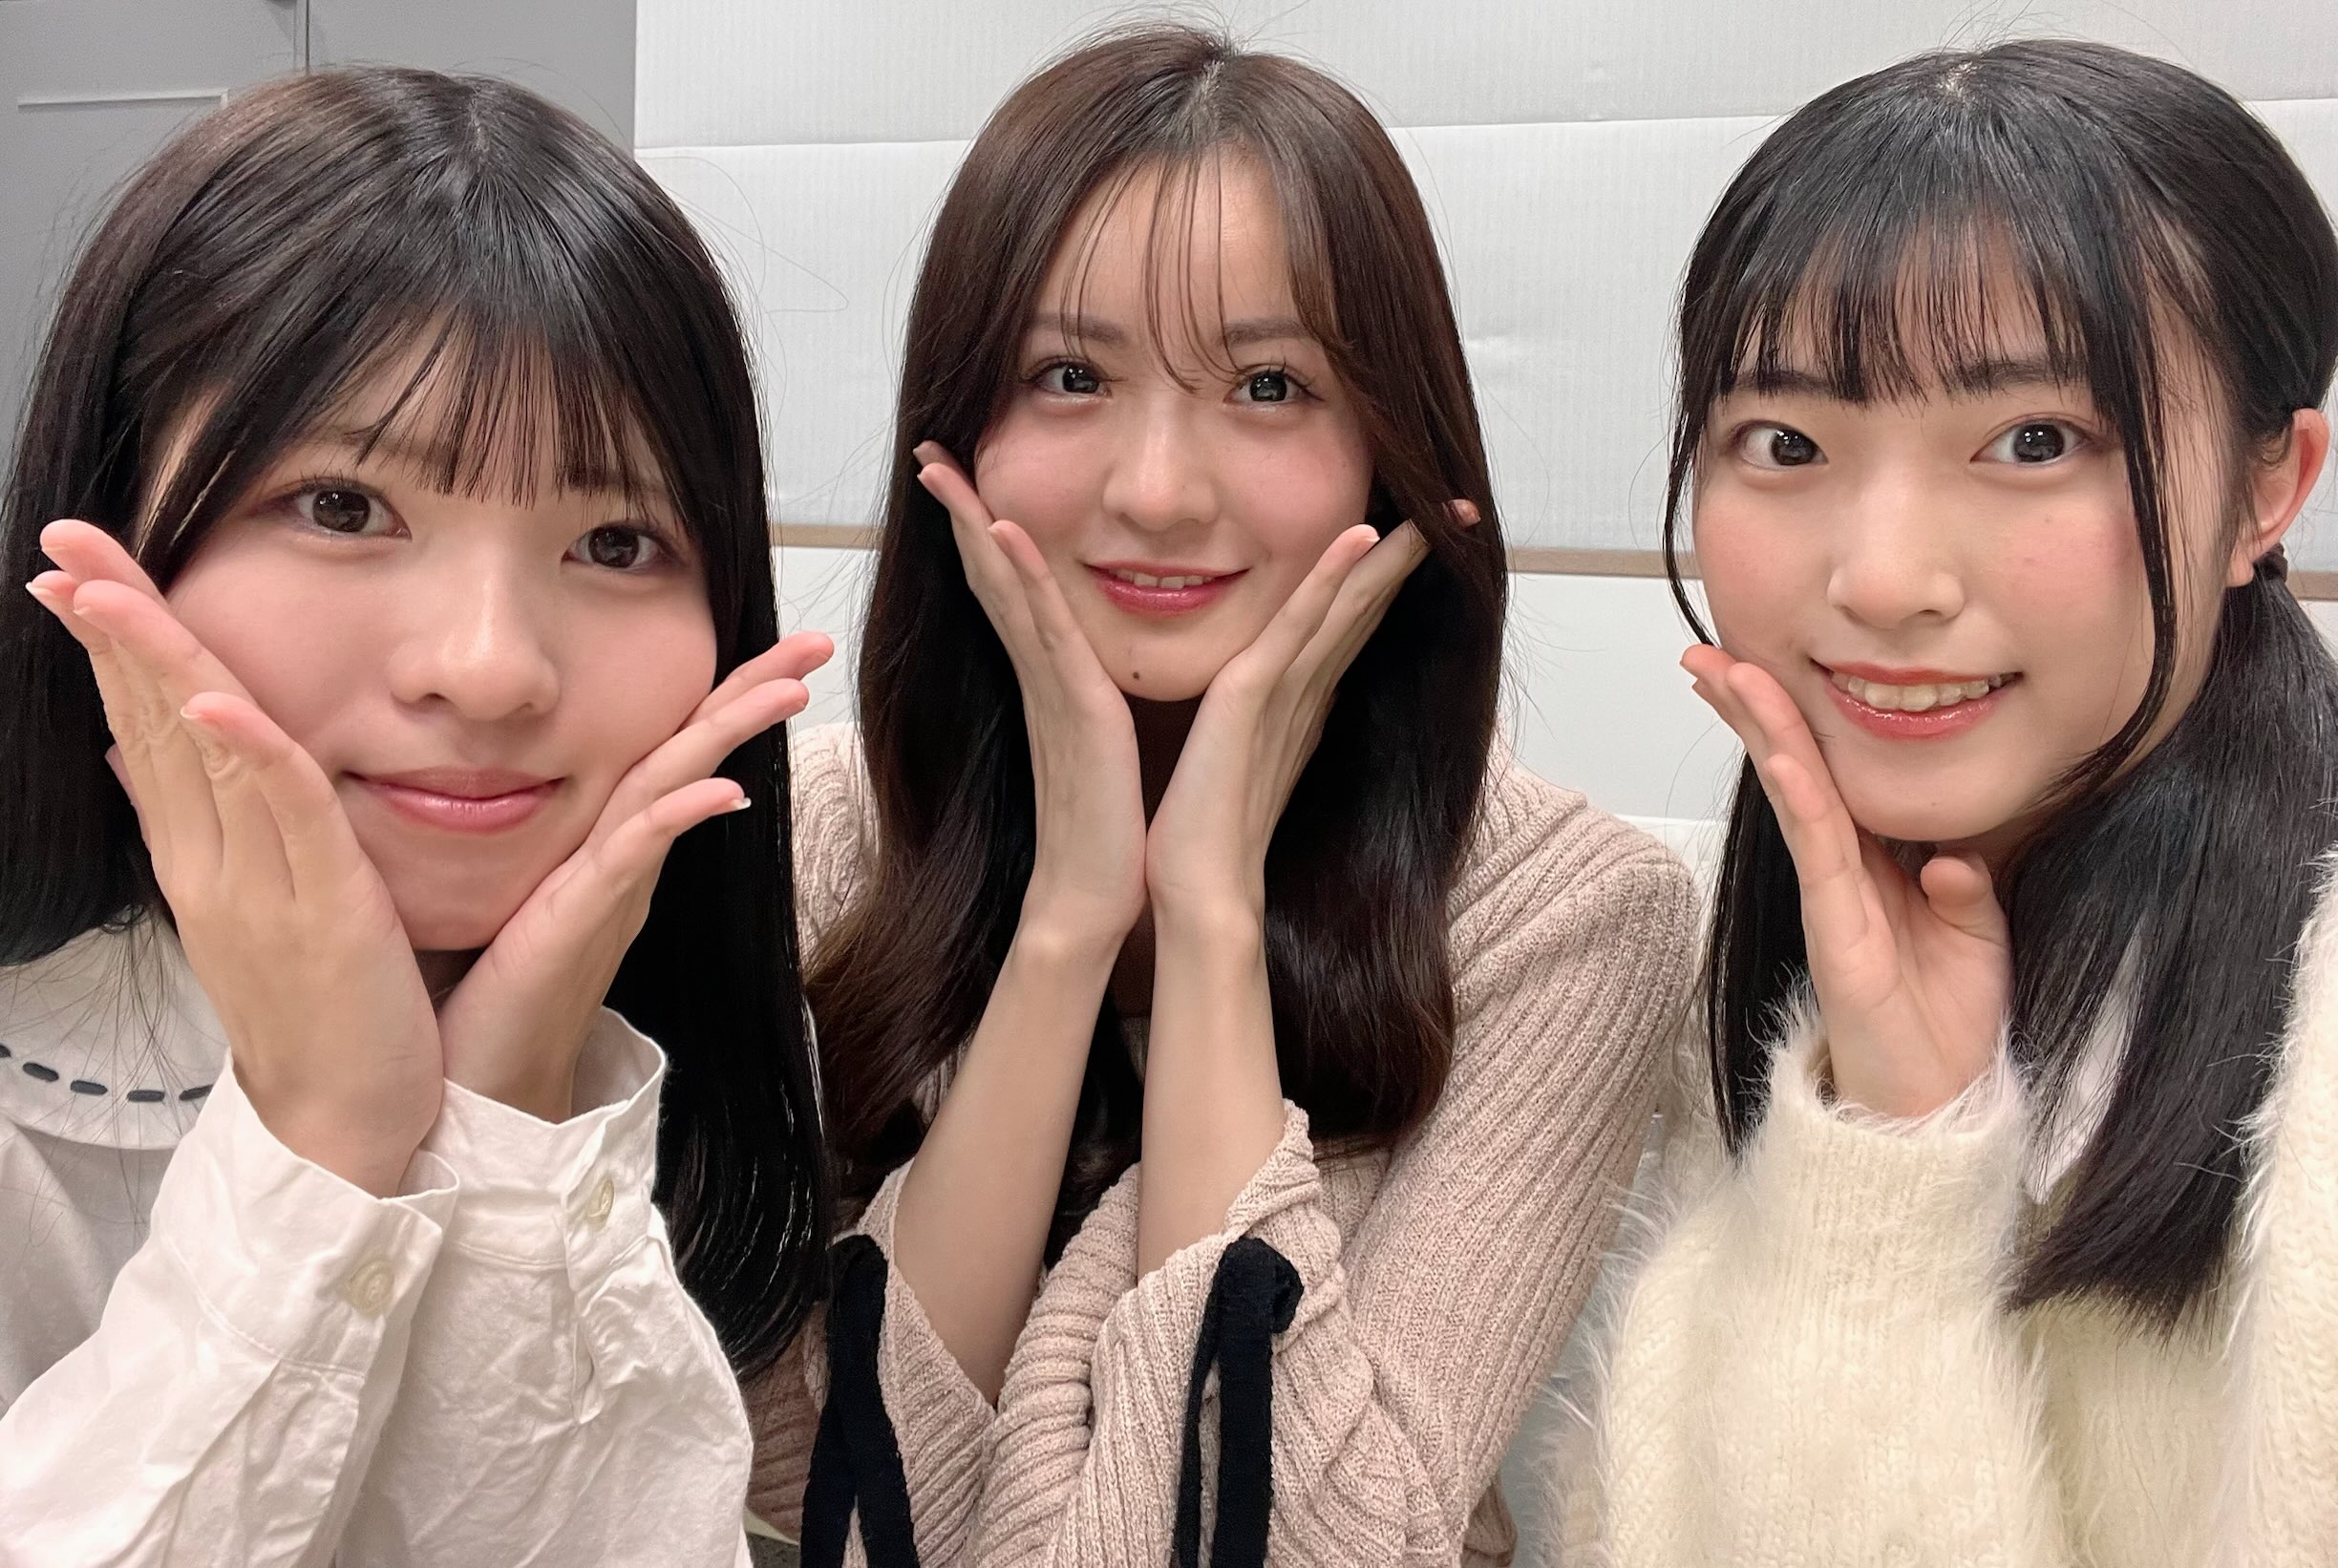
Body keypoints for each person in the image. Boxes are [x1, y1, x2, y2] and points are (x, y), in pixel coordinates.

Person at [752, 26, 1698, 1567]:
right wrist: (1068, 922)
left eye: (1268, 385)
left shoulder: (1568, 918)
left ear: (1390, 452)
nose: (1157, 490)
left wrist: (1206, 918)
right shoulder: (824, 841)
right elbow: (832, 1496)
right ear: (956, 434)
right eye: (1070, 376)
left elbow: (1328, 1544)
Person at [0, 67, 829, 1566]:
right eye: (344, 506)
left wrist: (504, 1119)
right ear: (117, 520)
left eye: (615, 540)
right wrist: (322, 1143)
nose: (491, 666)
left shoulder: (689, 1052)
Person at [1559, 39, 2338, 1564]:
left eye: (2033, 442)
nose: (1883, 579)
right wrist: (1889, 1150)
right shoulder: (1760, 963)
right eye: (1786, 444)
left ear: (2267, 487)